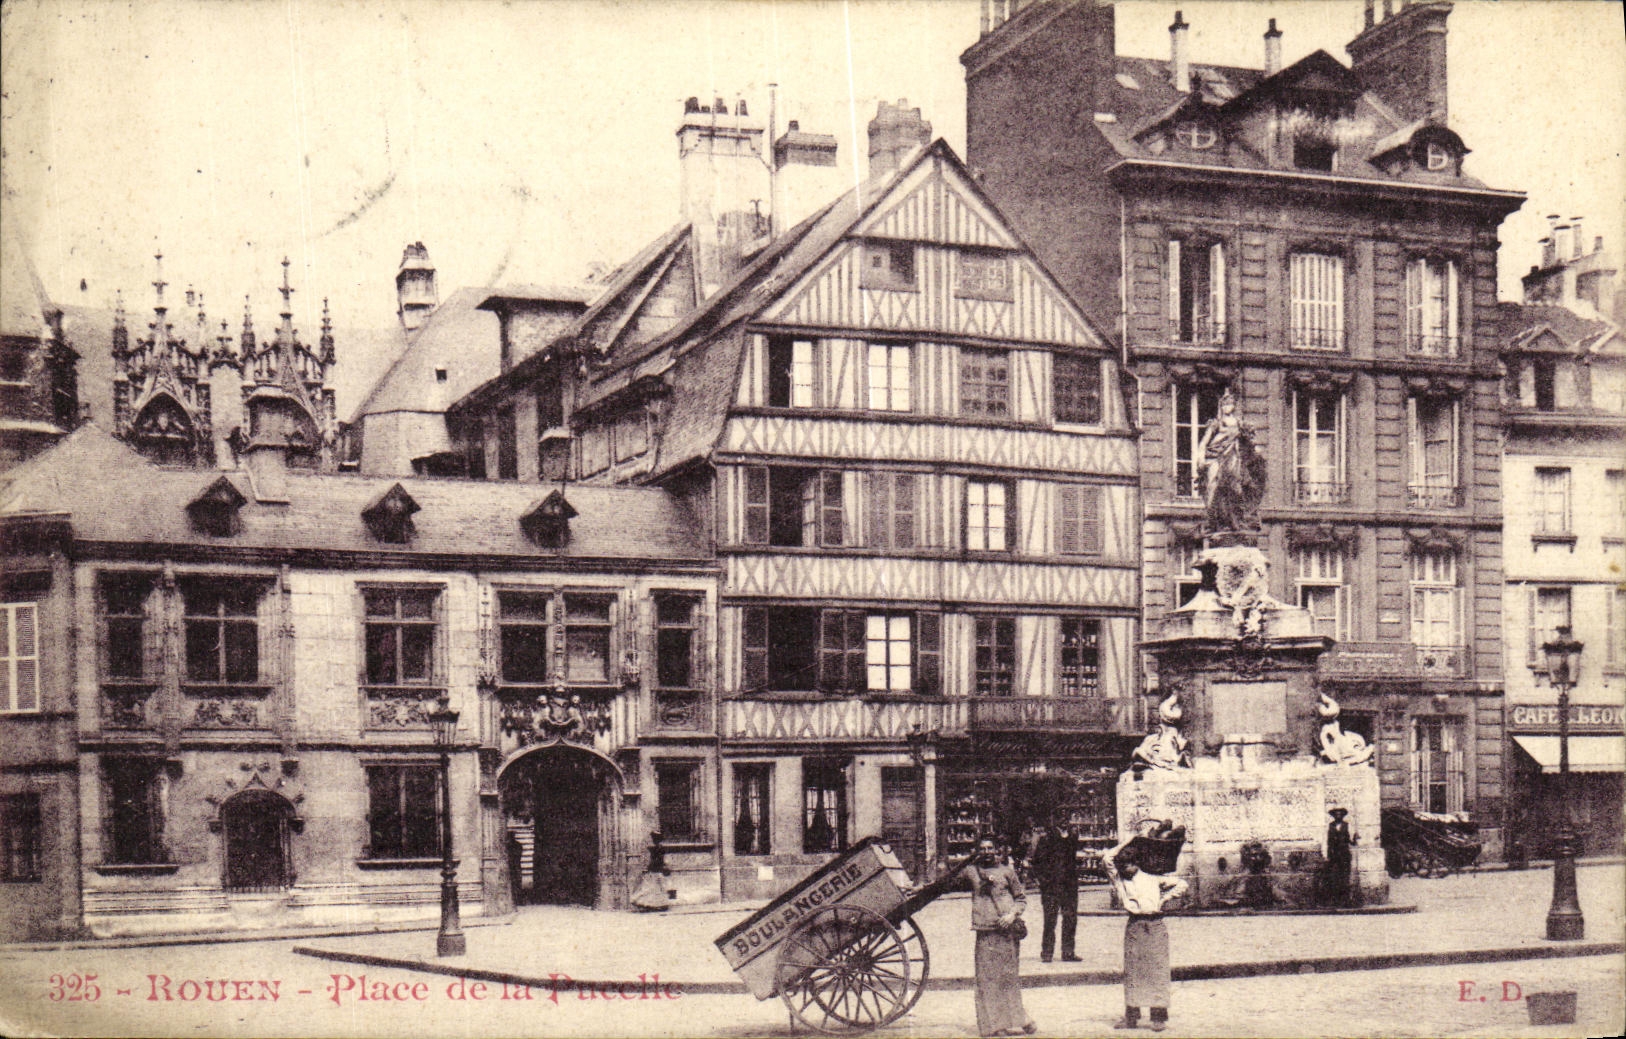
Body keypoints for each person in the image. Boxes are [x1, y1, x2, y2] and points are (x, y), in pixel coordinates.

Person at [1102, 837, 1188, 1032]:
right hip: (1134, 925)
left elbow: (1182, 884)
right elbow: (1107, 859)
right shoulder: (1120, 881)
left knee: (1157, 970)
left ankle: (1158, 1017)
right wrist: (1130, 840)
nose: (1125, 869)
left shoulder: (1153, 879)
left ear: (1137, 863)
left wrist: (1165, 899)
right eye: (1122, 866)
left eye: (1128, 865)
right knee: (1133, 971)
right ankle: (1131, 1016)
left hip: (1155, 925)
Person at [965, 836, 1036, 1037]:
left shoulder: (1007, 872)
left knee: (1008, 977)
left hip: (1007, 932)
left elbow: (1021, 899)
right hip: (985, 932)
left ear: (996, 850)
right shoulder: (970, 872)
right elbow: (944, 885)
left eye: (990, 848)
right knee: (987, 979)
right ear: (977, 851)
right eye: (982, 848)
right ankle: (993, 1026)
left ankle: (1019, 1019)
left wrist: (1012, 914)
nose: (986, 852)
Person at [1027, 816, 1081, 962]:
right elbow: (1037, 862)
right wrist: (1044, 882)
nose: (1064, 821)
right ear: (1054, 820)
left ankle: (1068, 952)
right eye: (1061, 817)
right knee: (1050, 920)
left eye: (1066, 818)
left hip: (1069, 886)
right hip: (1051, 887)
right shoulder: (1047, 838)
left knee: (1070, 919)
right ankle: (1047, 953)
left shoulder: (1072, 837)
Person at [1322, 808, 1357, 907]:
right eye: (1336, 814)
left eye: (1340, 814)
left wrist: (1355, 838)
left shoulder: (1348, 826)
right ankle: (1334, 900)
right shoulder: (1329, 826)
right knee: (1333, 877)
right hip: (1333, 856)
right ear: (1333, 816)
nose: (1338, 816)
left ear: (1343, 816)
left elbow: (1352, 842)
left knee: (1344, 877)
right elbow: (1325, 841)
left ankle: (1345, 900)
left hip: (1344, 855)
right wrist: (1325, 855)